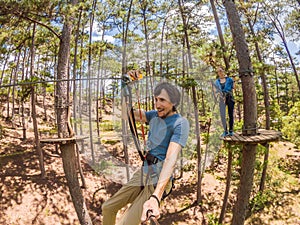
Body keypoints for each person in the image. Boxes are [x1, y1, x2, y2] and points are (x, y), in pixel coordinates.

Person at [102, 81, 190, 225]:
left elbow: (170, 160)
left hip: (158, 177)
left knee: (126, 223)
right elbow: (126, 115)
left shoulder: (180, 123)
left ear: (173, 102)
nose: (157, 104)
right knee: (108, 208)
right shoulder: (154, 115)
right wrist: (126, 88)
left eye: (162, 100)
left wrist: (156, 197)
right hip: (144, 172)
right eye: (156, 99)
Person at [214, 67, 235, 137]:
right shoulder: (216, 82)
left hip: (229, 97)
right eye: (218, 72)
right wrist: (220, 95)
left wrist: (228, 94)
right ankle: (225, 131)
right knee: (222, 115)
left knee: (230, 114)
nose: (220, 73)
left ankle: (231, 130)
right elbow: (215, 91)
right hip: (221, 99)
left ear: (224, 71)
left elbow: (233, 88)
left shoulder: (229, 80)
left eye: (221, 71)